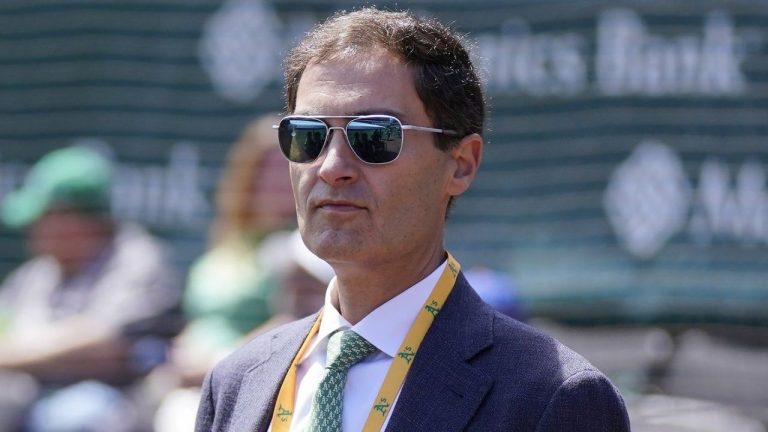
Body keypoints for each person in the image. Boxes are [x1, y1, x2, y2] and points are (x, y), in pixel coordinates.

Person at [196, 7, 630, 432]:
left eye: (375, 136)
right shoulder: (237, 382)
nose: (331, 167)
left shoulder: (550, 397)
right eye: (308, 135)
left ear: (461, 163)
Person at [0, 145, 183, 431]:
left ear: (78, 220)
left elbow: (105, 341)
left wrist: (17, 354)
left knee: (72, 417)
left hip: (119, 400)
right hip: (31, 391)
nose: (33, 228)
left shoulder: (138, 260)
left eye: (44, 217)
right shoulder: (37, 272)